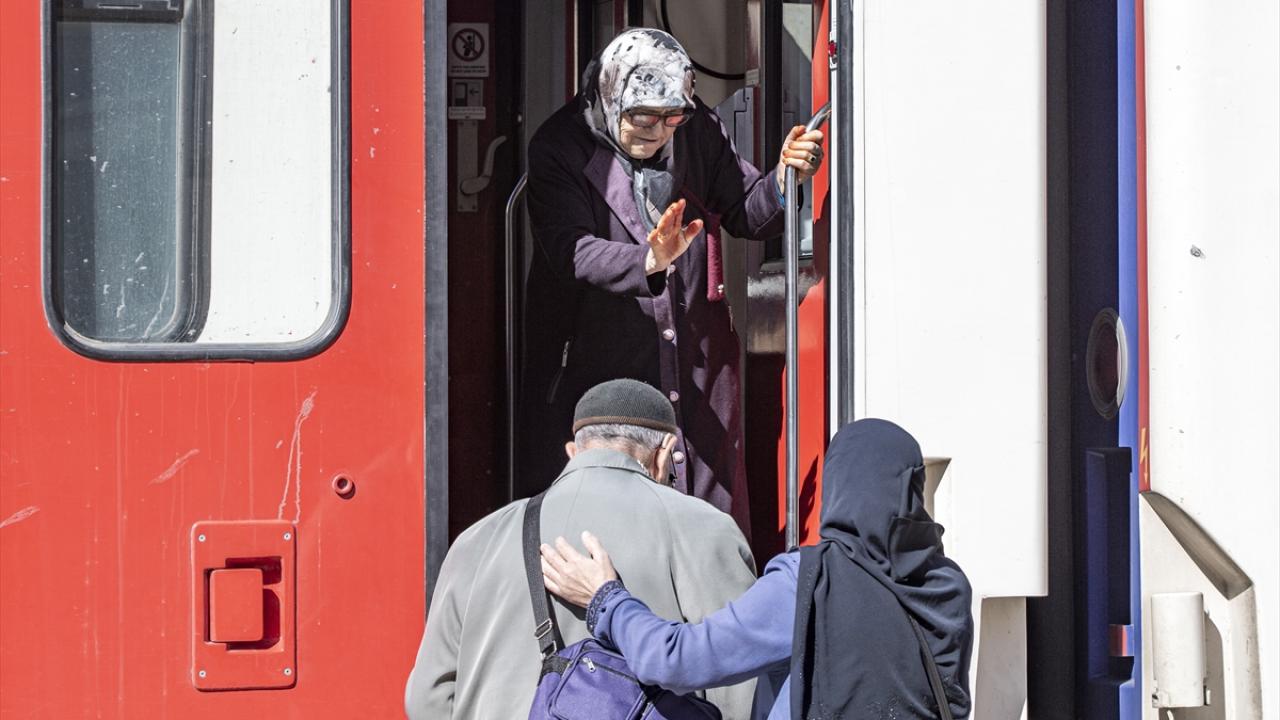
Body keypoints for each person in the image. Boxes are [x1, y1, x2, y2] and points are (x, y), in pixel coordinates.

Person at [518, 28, 825, 535]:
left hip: (698, 365)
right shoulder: (559, 146)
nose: (659, 131)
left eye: (671, 117)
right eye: (643, 117)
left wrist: (783, 180)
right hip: (604, 365)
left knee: (706, 522)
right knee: (613, 525)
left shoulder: (696, 128)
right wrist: (649, 259)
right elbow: (571, 251)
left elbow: (745, 209)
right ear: (610, 97)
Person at [539, 418, 975, 719]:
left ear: (837, 484)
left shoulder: (808, 583)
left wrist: (607, 600)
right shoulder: (948, 587)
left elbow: (677, 660)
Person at [405, 379, 759, 719]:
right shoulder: (705, 529)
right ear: (665, 453)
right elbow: (743, 690)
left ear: (573, 452)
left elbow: (427, 699)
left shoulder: (478, 540)